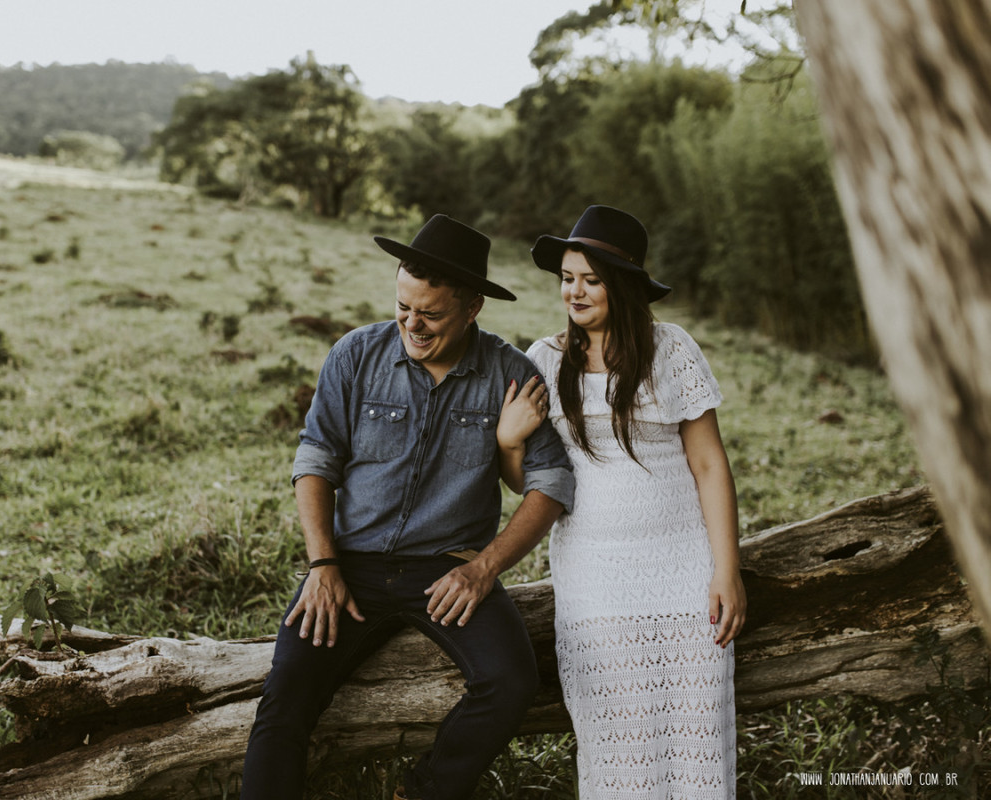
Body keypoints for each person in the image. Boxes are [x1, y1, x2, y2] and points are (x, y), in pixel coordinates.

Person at [240, 214, 575, 800]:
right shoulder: (355, 354)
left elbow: (551, 484)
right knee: (287, 691)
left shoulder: (511, 374)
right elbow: (315, 460)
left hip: (449, 570)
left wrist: (484, 569)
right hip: (349, 565)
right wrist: (322, 565)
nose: (412, 325)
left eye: (431, 314)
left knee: (511, 681)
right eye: (403, 308)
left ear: (472, 307)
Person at [497, 205, 746, 798]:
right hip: (594, 575)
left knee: (695, 732)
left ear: (624, 285)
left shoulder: (671, 350)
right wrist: (508, 441)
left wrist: (727, 570)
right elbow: (526, 482)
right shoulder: (544, 360)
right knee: (616, 736)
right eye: (567, 278)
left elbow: (710, 465)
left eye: (591, 279)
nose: (574, 292)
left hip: (683, 569)